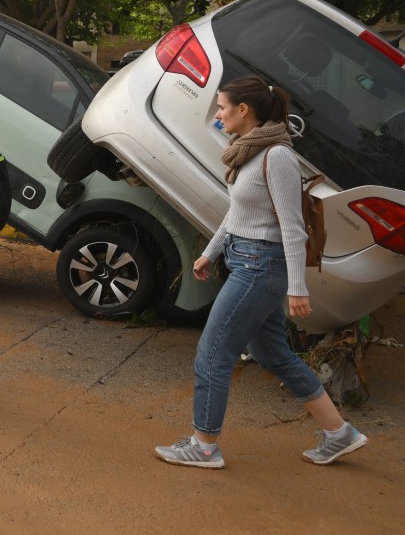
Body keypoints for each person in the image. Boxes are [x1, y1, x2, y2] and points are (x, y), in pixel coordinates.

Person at [156, 75, 367, 468]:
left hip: (260, 266)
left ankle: (204, 446)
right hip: (247, 259)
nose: (217, 114)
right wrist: (210, 252)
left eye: (221, 107)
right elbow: (239, 213)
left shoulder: (278, 156)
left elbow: (292, 225)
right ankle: (340, 434)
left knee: (213, 355)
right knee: (274, 355)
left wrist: (298, 289)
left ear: (243, 110)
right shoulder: (249, 151)